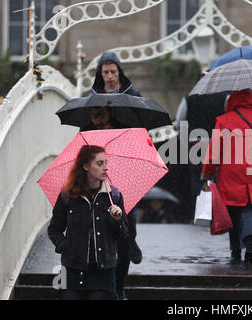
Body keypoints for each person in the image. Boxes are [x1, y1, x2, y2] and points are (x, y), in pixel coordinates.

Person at [82, 51, 143, 300]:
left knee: (126, 228)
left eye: (113, 71)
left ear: (120, 72)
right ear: (100, 74)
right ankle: (109, 285)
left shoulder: (133, 97)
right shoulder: (92, 100)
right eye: (105, 72)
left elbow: (140, 131)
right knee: (106, 233)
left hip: (125, 168)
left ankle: (119, 285)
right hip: (100, 172)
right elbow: (83, 136)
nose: (109, 76)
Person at [201, 89, 252, 265]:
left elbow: (214, 151)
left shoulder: (223, 121)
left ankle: (235, 249)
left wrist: (207, 172)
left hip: (231, 172)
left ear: (231, 101)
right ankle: (250, 246)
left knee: (233, 211)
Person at [48, 145, 128, 300]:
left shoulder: (114, 196)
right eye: (100, 163)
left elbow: (122, 235)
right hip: (72, 269)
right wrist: (65, 246)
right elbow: (54, 229)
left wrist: (117, 220)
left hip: (103, 271)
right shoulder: (68, 196)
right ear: (85, 166)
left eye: (106, 162)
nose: (106, 168)